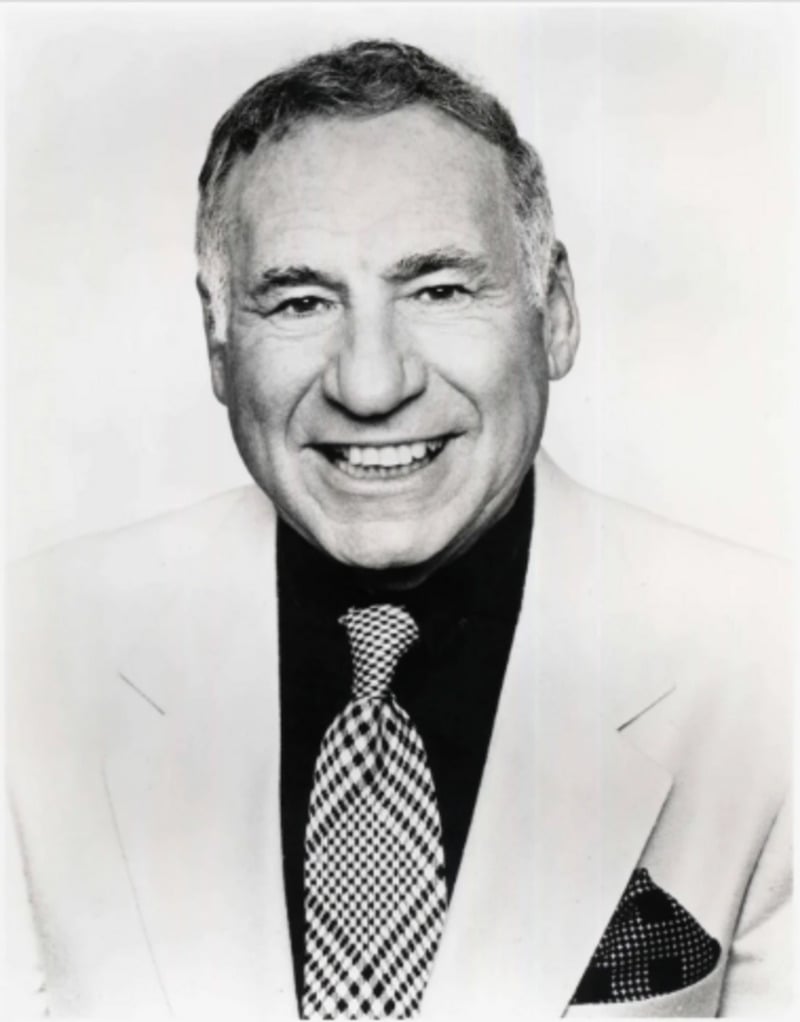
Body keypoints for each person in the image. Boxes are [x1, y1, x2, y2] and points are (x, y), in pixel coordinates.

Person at [6, 39, 791, 1019]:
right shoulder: (30, 657)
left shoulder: (767, 665)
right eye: (298, 300)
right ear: (218, 341)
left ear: (554, 313)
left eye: (438, 290)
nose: (370, 383)